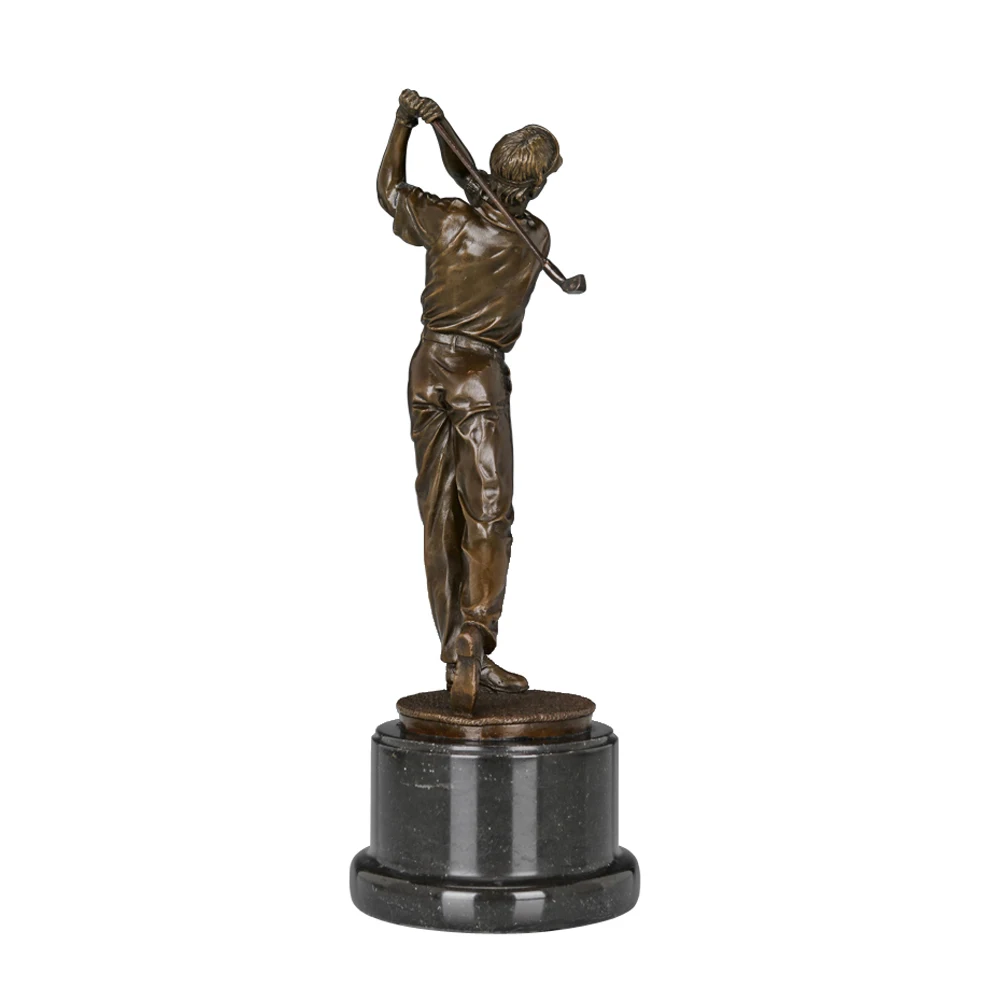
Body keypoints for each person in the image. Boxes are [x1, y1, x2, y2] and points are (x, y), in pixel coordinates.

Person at [376, 89, 562, 712]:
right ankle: (473, 635)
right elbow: (476, 182)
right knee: (486, 513)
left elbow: (391, 190)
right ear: (536, 186)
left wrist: (406, 126)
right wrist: (439, 128)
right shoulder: (533, 237)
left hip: (428, 367)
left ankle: (463, 651)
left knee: (439, 512)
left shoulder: (451, 219)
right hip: (478, 377)